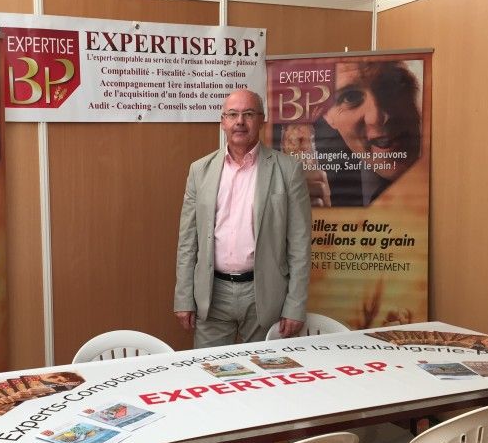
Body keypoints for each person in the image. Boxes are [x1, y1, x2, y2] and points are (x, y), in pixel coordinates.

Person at [174, 89, 312, 344]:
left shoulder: (288, 170)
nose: (240, 121)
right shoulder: (199, 171)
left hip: (265, 293)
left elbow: (300, 245)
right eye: (233, 114)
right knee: (210, 373)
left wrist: (295, 304)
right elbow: (187, 241)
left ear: (261, 120)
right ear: (222, 121)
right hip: (212, 293)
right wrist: (183, 297)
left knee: (264, 376)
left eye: (248, 114)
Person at [312, 60, 422, 206]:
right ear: (326, 115)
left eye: (392, 85)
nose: (376, 118)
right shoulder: (325, 192)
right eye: (350, 97)